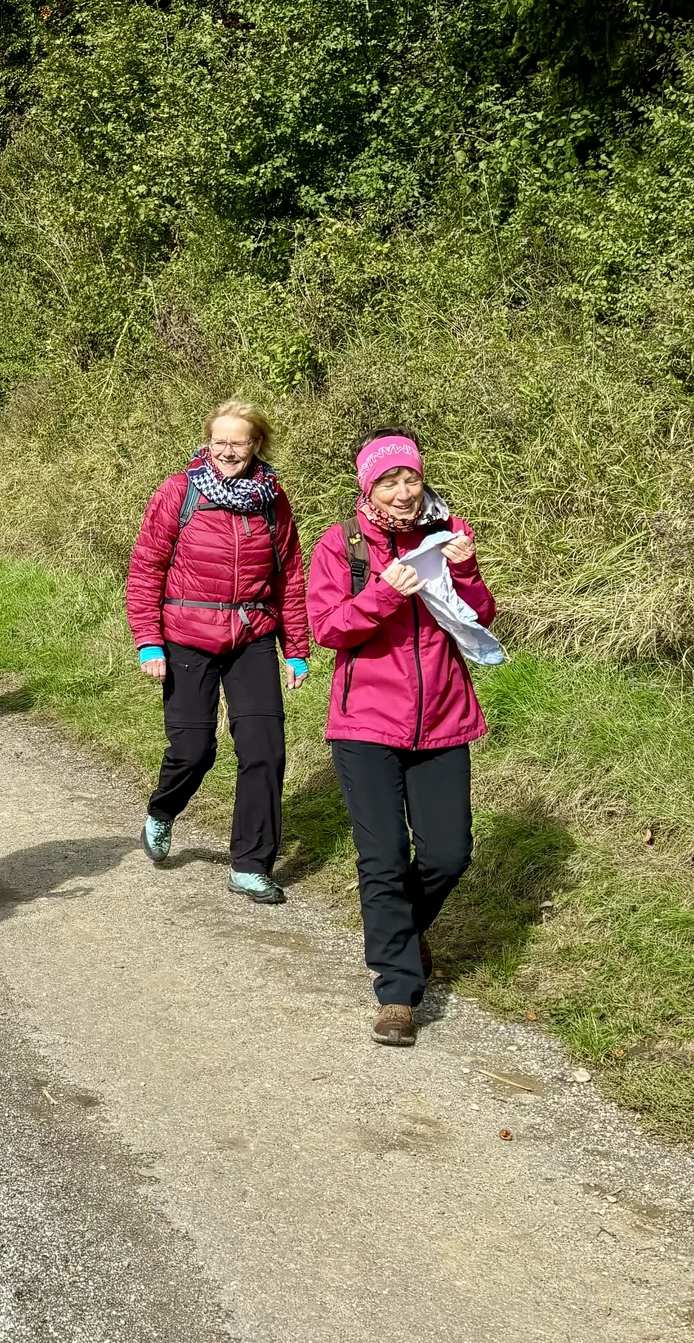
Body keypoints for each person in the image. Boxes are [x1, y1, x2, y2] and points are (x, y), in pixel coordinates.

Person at [308, 432, 498, 1048]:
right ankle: (396, 992)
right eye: (388, 482)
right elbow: (328, 628)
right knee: (383, 856)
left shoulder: (445, 536)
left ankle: (402, 932)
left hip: (443, 716)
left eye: (411, 479)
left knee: (448, 853)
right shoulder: (342, 546)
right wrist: (385, 593)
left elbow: (478, 615)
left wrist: (465, 571)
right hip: (365, 723)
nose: (404, 492)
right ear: (368, 489)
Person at [125, 400, 312, 905]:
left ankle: (250, 865)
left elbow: (289, 578)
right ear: (208, 443)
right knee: (194, 750)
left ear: (257, 446)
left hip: (252, 634)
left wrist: (296, 649)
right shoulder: (177, 492)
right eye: (220, 441)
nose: (229, 451)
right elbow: (146, 570)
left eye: (240, 442)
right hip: (185, 632)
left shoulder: (274, 501)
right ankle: (162, 812)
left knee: (265, 751)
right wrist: (148, 640)